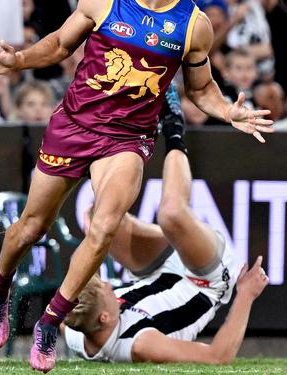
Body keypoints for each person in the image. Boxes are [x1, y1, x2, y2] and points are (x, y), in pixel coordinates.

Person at [0, 0, 273, 372]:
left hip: (127, 139)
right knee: (30, 228)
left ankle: (52, 322)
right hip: (73, 125)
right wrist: (18, 60)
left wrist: (229, 110)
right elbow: (57, 46)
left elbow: (202, 90)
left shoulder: (193, 25)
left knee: (104, 226)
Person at [62, 96, 268, 363]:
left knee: (98, 217)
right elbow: (218, 356)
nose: (112, 286)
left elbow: (69, 315)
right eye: (107, 290)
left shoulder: (77, 331)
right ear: (105, 317)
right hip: (204, 280)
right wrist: (246, 296)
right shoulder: (140, 344)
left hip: (158, 270)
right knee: (171, 214)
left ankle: (120, 132)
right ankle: (173, 128)